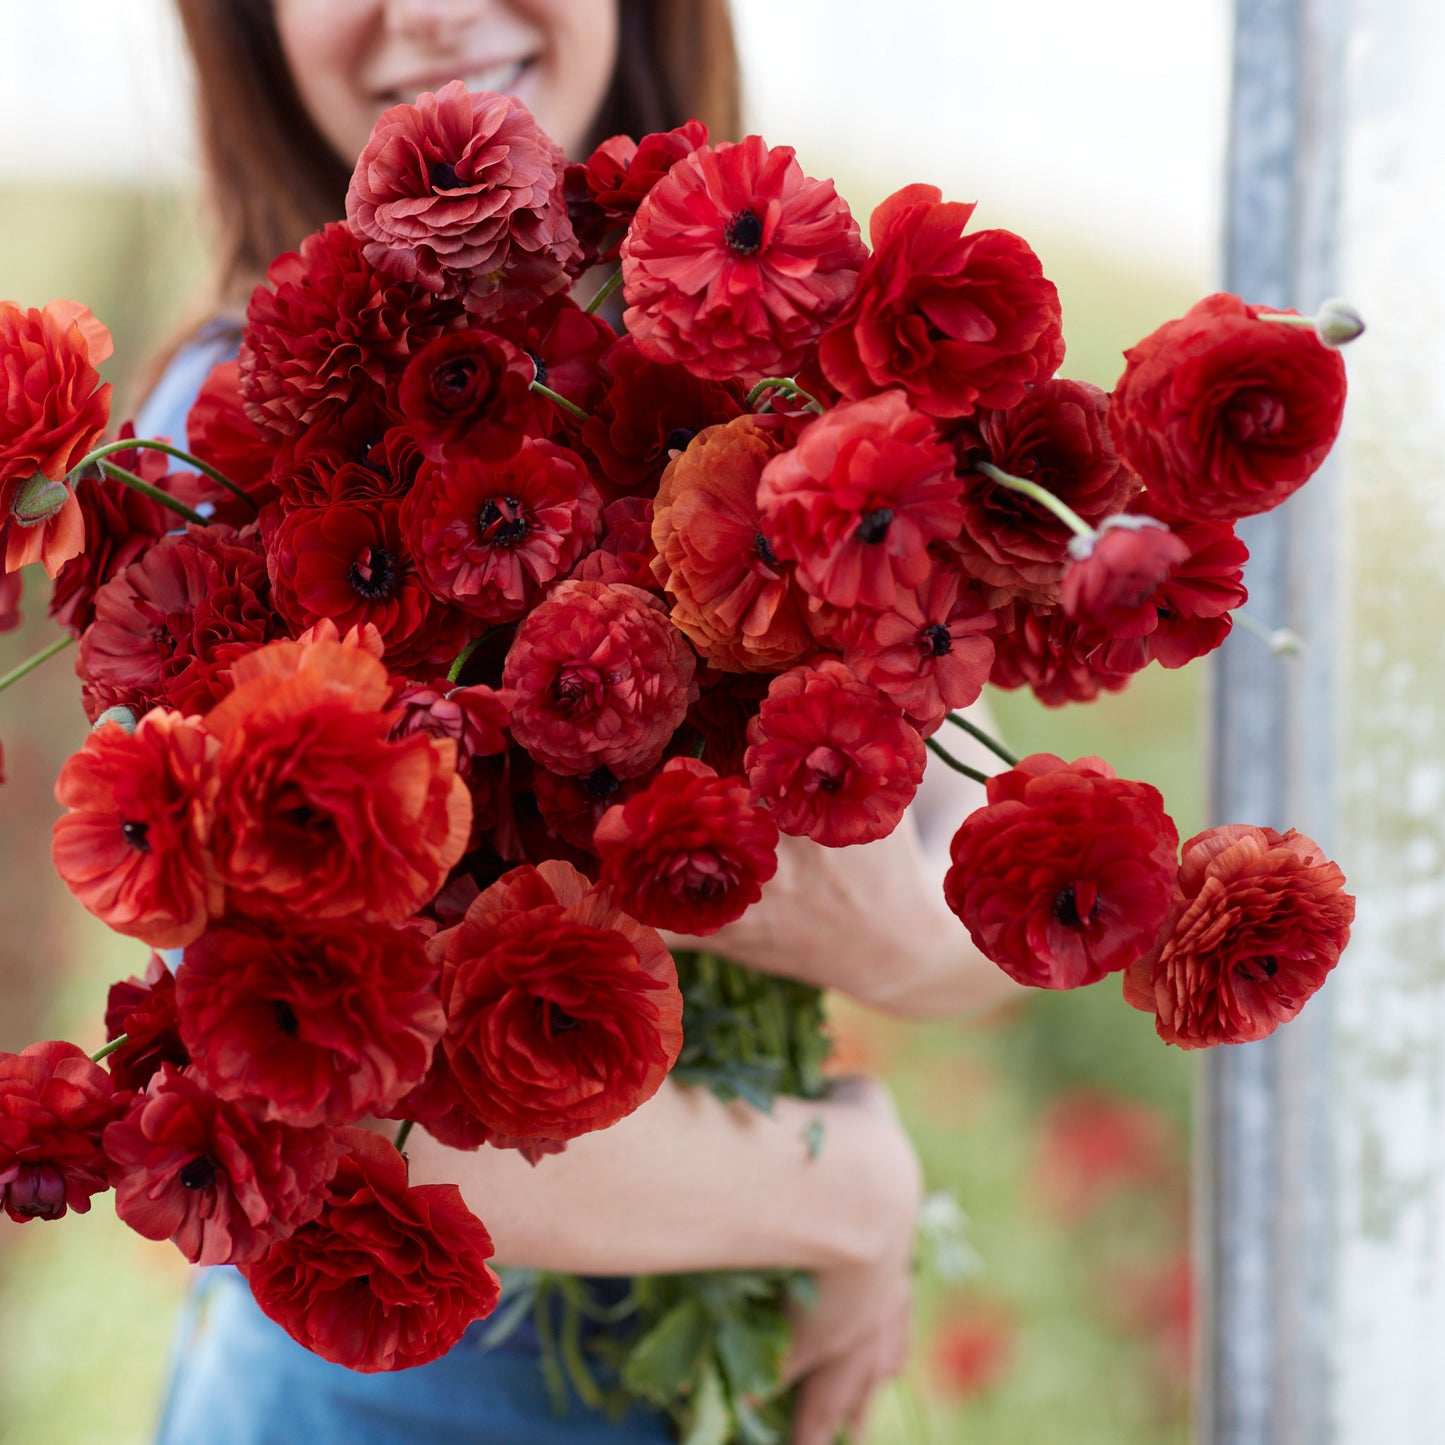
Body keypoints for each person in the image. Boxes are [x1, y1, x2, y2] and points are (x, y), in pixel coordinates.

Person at [137, 4, 1023, 1443]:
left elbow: (1011, 895)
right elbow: (317, 1103)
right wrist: (842, 1191)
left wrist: (884, 945)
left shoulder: (777, 364)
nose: (426, 12)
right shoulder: (230, 440)